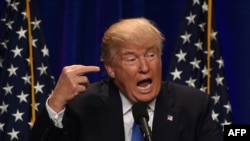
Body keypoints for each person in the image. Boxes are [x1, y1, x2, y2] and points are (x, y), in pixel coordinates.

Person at [29, 17, 223, 141]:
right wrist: (56, 103)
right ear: (111, 68)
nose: (144, 67)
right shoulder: (83, 105)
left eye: (151, 55)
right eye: (131, 59)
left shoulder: (192, 104)